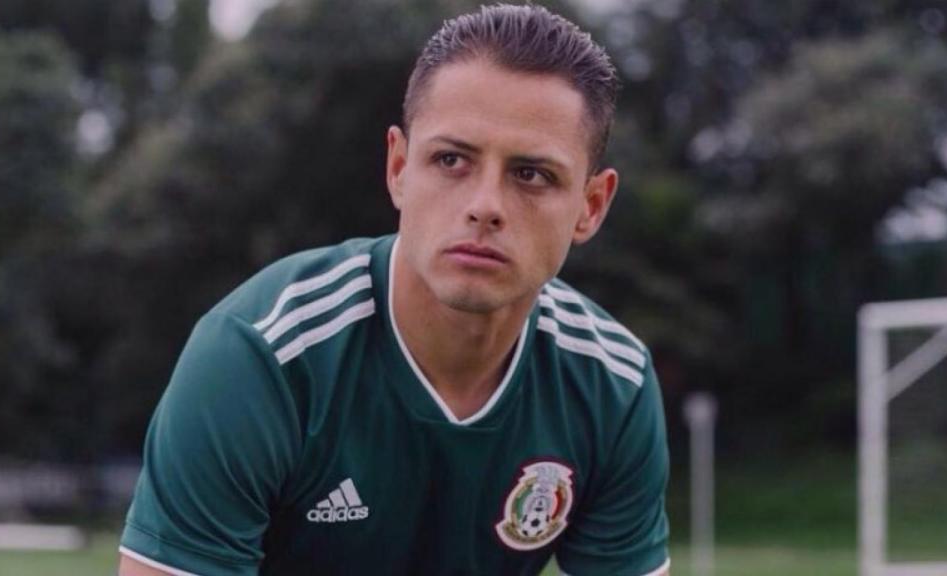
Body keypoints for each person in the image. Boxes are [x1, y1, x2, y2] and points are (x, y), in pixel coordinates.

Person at [118, 4, 670, 575]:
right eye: (451, 159)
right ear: (399, 168)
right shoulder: (262, 356)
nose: (485, 205)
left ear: (591, 205)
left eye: (531, 174)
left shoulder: (612, 383)